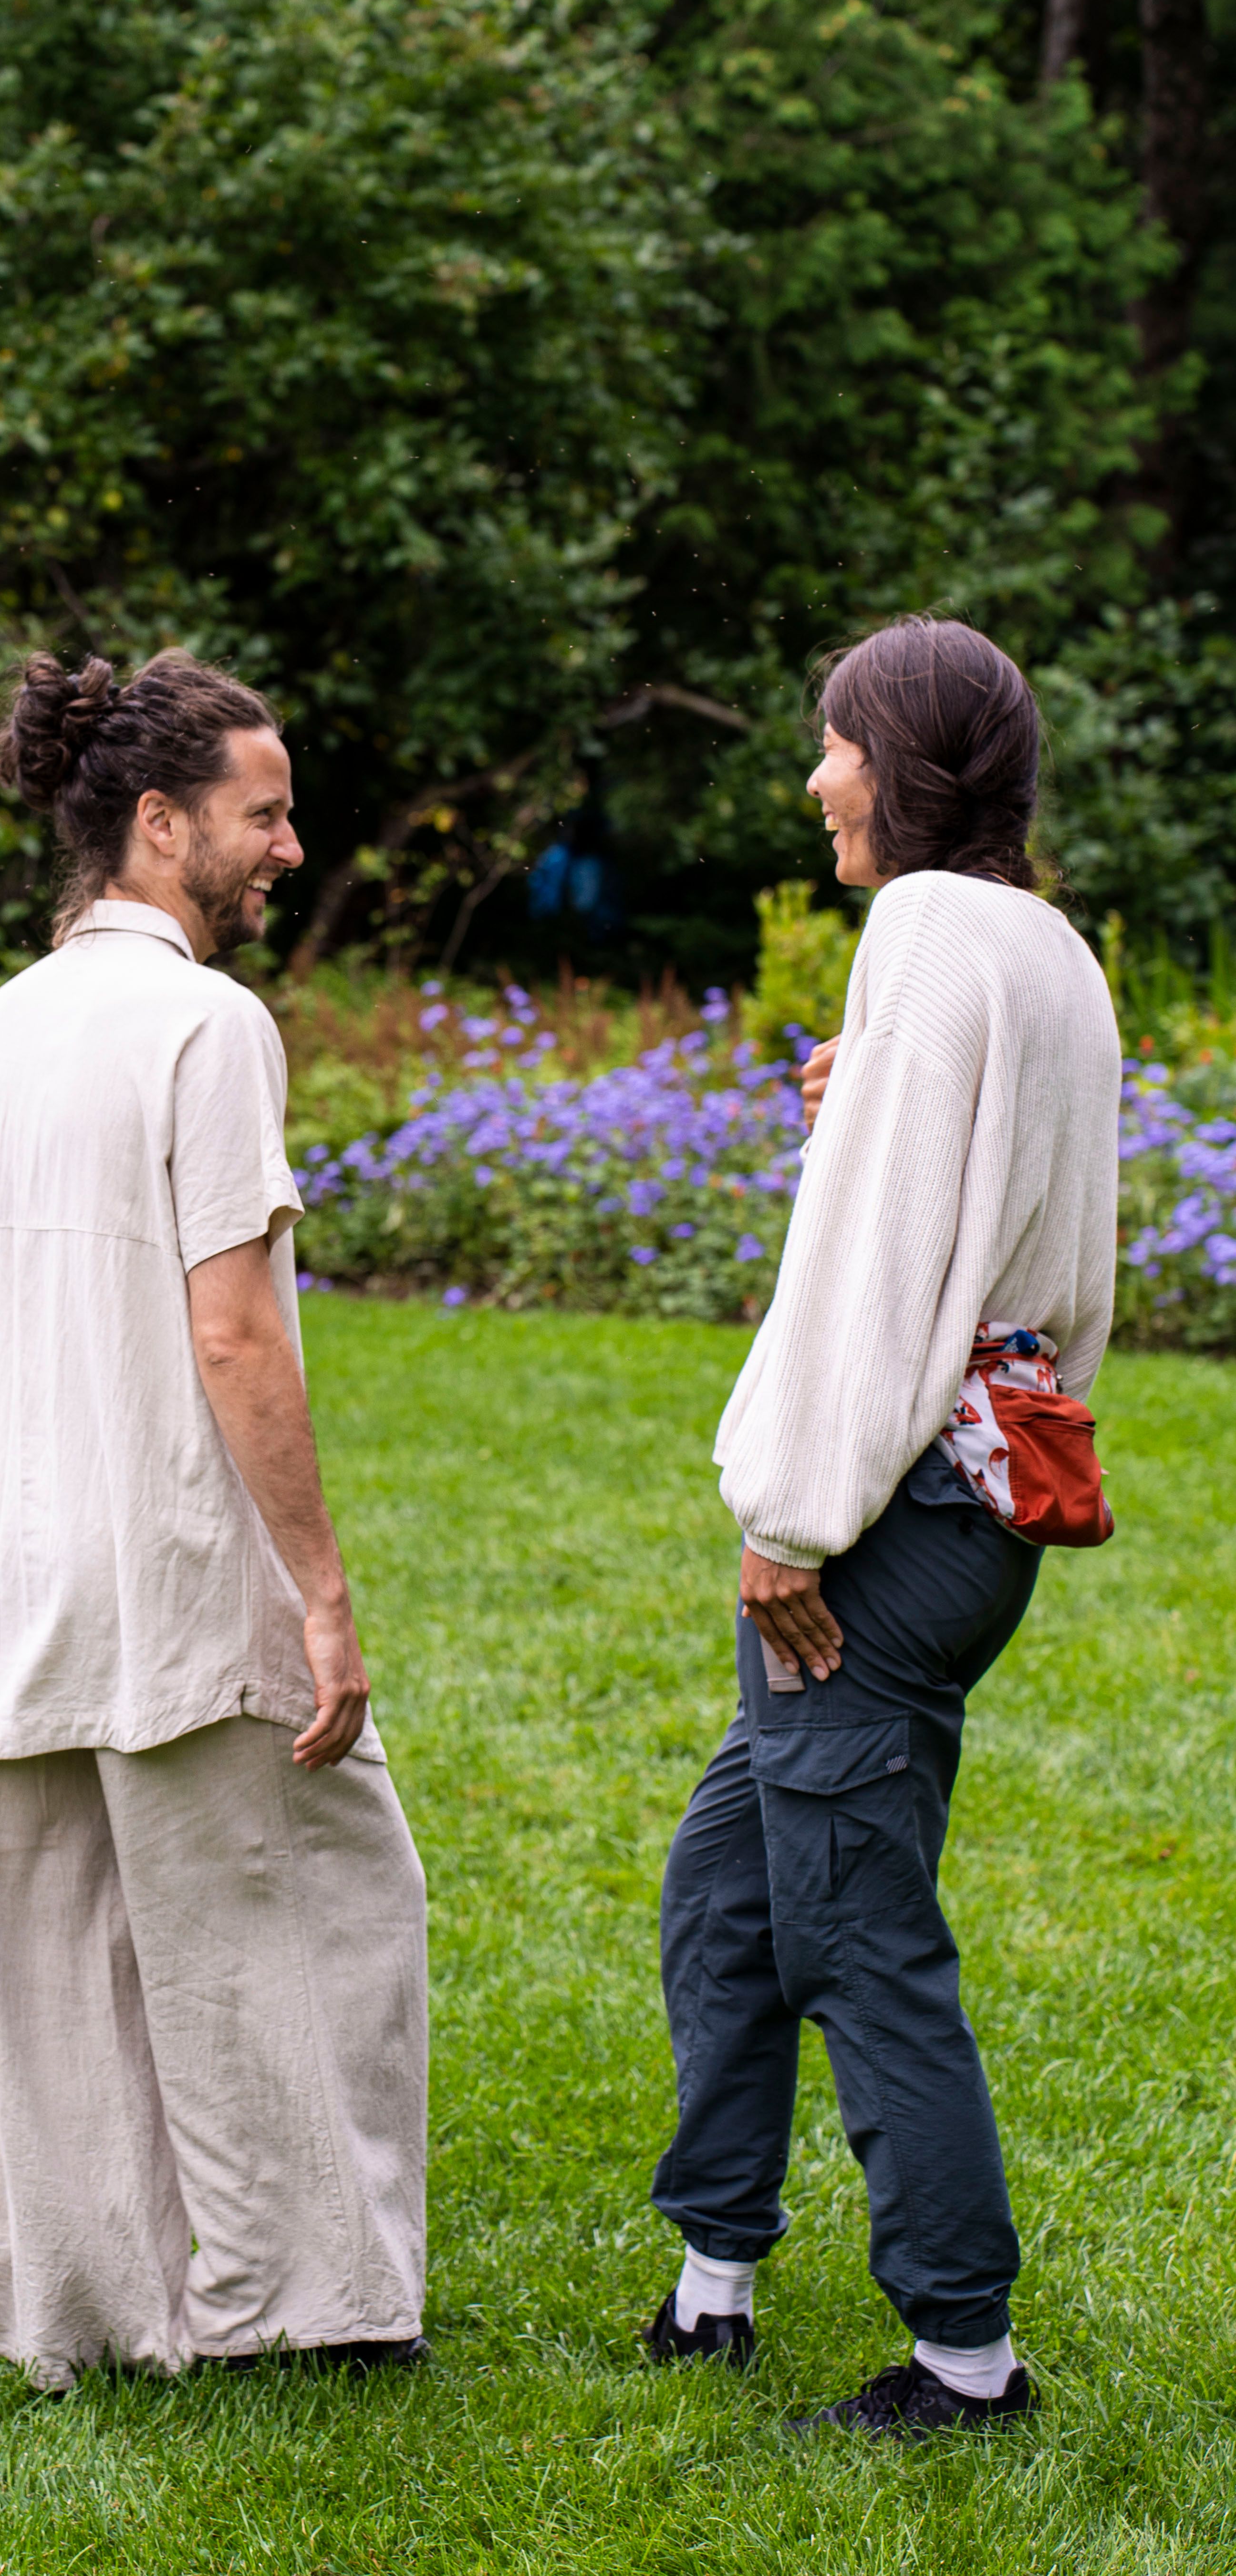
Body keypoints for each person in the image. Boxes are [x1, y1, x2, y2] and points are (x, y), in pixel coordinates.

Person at [0, 648, 429, 2391]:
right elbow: (231, 1327)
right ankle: (302, 2309)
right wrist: (323, 1594)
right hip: (172, 1565)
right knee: (303, 1918)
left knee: (58, 1964)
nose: (287, 844)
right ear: (157, 822)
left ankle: (91, 2311)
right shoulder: (208, 1024)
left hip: (1, 1569)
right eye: (262, 816)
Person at [642, 618, 1120, 2435]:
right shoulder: (1040, 945)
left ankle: (963, 2357)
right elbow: (997, 1207)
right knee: (732, 1884)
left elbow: (871, 1275)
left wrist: (791, 1515)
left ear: (899, 755)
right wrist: (861, 1110)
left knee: (854, 1925)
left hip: (890, 1509)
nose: (816, 777)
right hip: (975, 1498)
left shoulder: (923, 931)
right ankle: (714, 2279)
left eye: (834, 743)